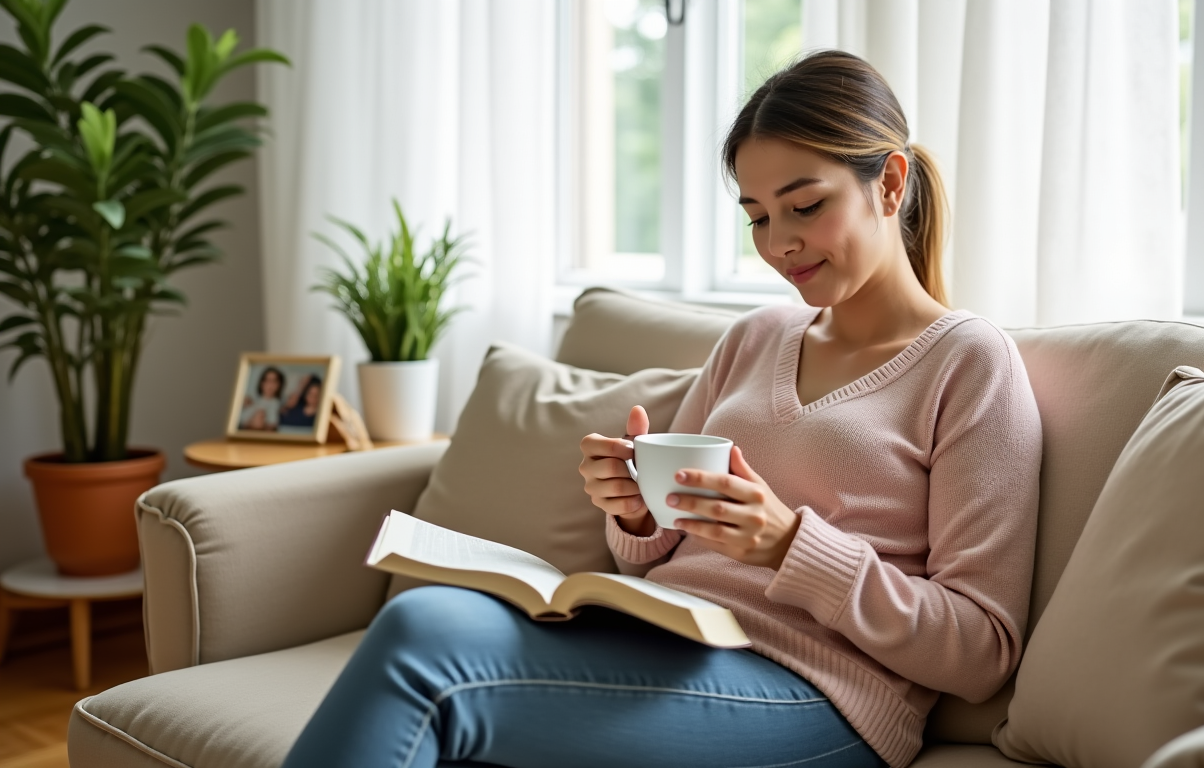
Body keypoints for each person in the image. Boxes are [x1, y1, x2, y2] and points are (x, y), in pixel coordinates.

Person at [282, 50, 1042, 768]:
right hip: (666, 642)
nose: (778, 244)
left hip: (822, 696)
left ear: (890, 182)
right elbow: (654, 554)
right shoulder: (756, 336)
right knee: (435, 637)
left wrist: (786, 547)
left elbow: (980, 652)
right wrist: (639, 516)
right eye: (757, 217)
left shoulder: (969, 362)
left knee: (423, 639)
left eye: (804, 206)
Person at [237, 366, 284, 431]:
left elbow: (272, 425)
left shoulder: (280, 405)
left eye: (274, 381)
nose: (270, 384)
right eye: (267, 380)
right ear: (261, 383)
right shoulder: (250, 402)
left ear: (279, 384)